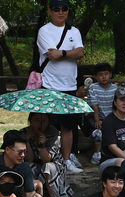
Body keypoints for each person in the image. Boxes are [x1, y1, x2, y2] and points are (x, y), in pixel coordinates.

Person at [36, 0, 84, 167]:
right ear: (50, 11)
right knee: (43, 124)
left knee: (68, 126)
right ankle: (43, 157)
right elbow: (51, 55)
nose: (60, 12)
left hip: (69, 85)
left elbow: (80, 52)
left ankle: (67, 159)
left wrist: (63, 52)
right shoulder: (44, 30)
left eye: (64, 9)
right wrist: (70, 53)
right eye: (56, 9)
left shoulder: (74, 31)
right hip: (49, 84)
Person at [21, 112, 73, 197]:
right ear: (30, 121)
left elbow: (47, 159)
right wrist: (26, 140)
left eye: (44, 120)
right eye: (36, 120)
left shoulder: (54, 133)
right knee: (27, 167)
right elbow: (29, 159)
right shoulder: (23, 133)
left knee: (48, 167)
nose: (40, 124)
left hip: (54, 165)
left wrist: (42, 144)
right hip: (35, 164)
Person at [86, 62, 117, 164]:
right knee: (98, 132)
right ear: (95, 76)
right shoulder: (93, 88)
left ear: (111, 74)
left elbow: (115, 105)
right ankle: (97, 154)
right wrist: (97, 120)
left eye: (106, 74)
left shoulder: (115, 88)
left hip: (111, 116)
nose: (104, 77)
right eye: (100, 75)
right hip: (96, 116)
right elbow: (95, 105)